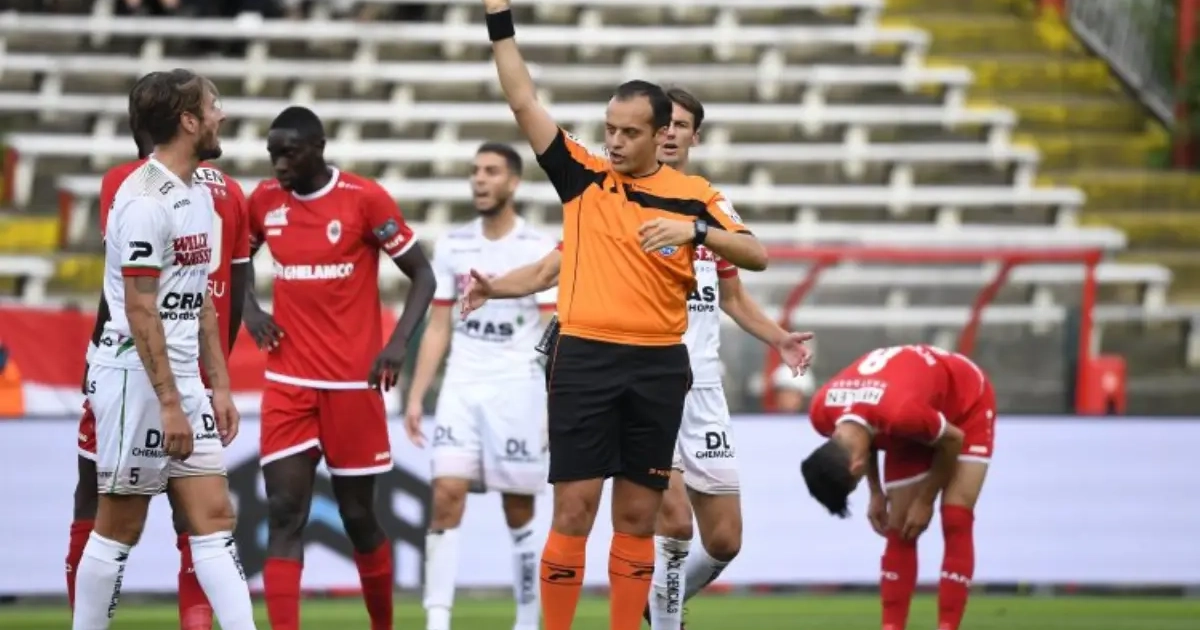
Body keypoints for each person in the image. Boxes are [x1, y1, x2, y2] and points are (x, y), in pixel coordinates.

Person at [459, 88, 815, 630]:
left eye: (680, 126)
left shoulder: (703, 206)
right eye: (660, 124)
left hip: (699, 385)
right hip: (640, 370)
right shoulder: (609, 199)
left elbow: (737, 293)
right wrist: (499, 287)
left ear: (690, 136)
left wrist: (778, 337)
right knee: (659, 517)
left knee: (723, 538)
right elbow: (550, 268)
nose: (669, 134)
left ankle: (652, 606)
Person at [72, 68, 256, 630]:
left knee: (215, 518)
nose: (222, 114)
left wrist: (219, 385)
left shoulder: (198, 193)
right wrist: (170, 402)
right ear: (189, 121)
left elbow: (199, 301)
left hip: (184, 380)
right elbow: (140, 309)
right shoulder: (143, 201)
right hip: (137, 378)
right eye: (213, 105)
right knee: (119, 525)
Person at [242, 105, 437, 630]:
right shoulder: (264, 201)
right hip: (288, 382)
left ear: (318, 148)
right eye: (273, 155)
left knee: (358, 517)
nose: (280, 165)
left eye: (289, 153)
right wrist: (251, 311)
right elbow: (237, 263)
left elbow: (423, 275)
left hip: (353, 384)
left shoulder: (363, 198)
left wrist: (397, 344)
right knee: (284, 513)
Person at [404, 142, 556, 630]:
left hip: (518, 388)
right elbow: (439, 327)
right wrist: (416, 396)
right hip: (463, 385)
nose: (480, 179)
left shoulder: (536, 247)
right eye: (475, 171)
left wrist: (553, 402)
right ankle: (437, 621)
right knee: (446, 494)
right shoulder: (454, 244)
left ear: (514, 182)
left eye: (491, 171)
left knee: (519, 507)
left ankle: (527, 619)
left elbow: (552, 329)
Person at [802, 344, 996, 630]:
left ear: (854, 468)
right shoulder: (822, 413)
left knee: (955, 517)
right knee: (900, 527)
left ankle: (948, 626)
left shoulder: (901, 413)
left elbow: (953, 440)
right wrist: (875, 493)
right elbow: (861, 439)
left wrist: (926, 500)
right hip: (909, 409)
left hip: (964, 402)